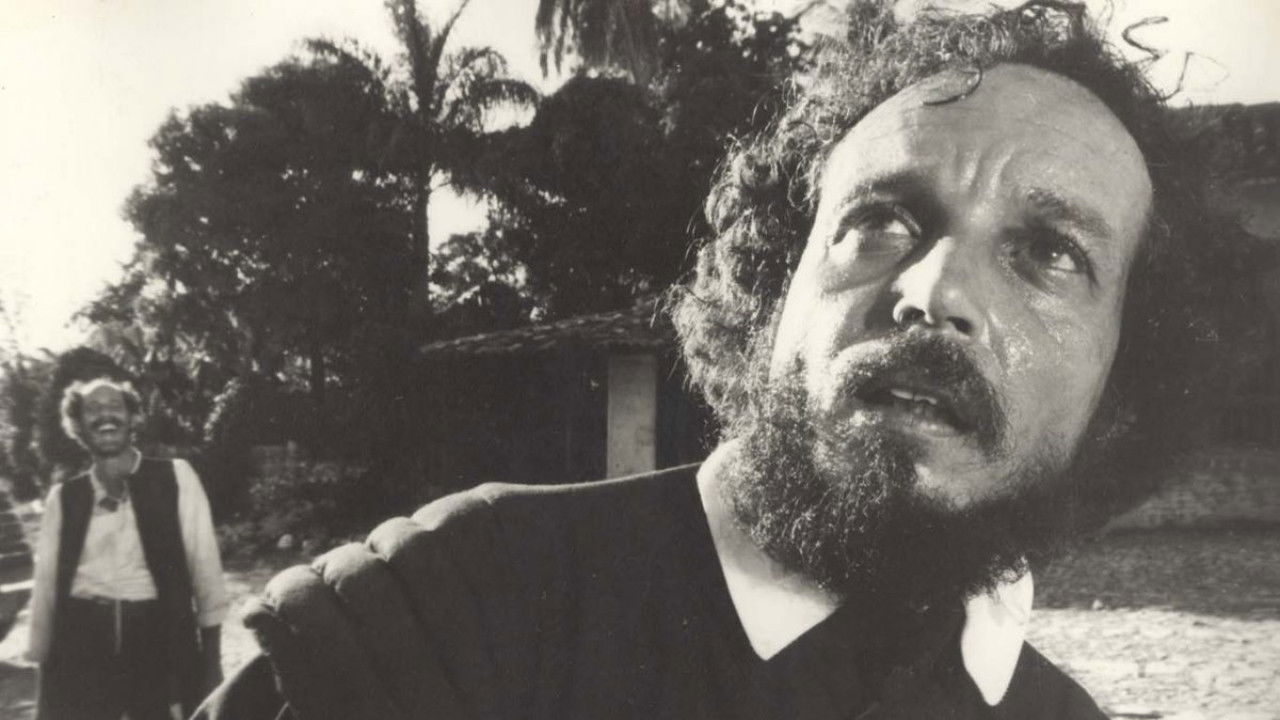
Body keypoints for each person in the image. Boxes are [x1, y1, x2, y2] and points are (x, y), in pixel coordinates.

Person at [198, 2, 1265, 718]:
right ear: (769, 294)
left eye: (1047, 253)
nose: (933, 290)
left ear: (1123, 383)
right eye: (880, 221)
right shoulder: (444, 614)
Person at [28, 377, 229, 719]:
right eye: (93, 409)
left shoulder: (175, 477)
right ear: (77, 425)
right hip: (82, 649)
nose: (105, 415)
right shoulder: (64, 498)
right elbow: (46, 591)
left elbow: (206, 569)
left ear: (133, 417)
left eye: (115, 406)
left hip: (156, 644)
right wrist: (44, 682)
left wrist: (212, 663)